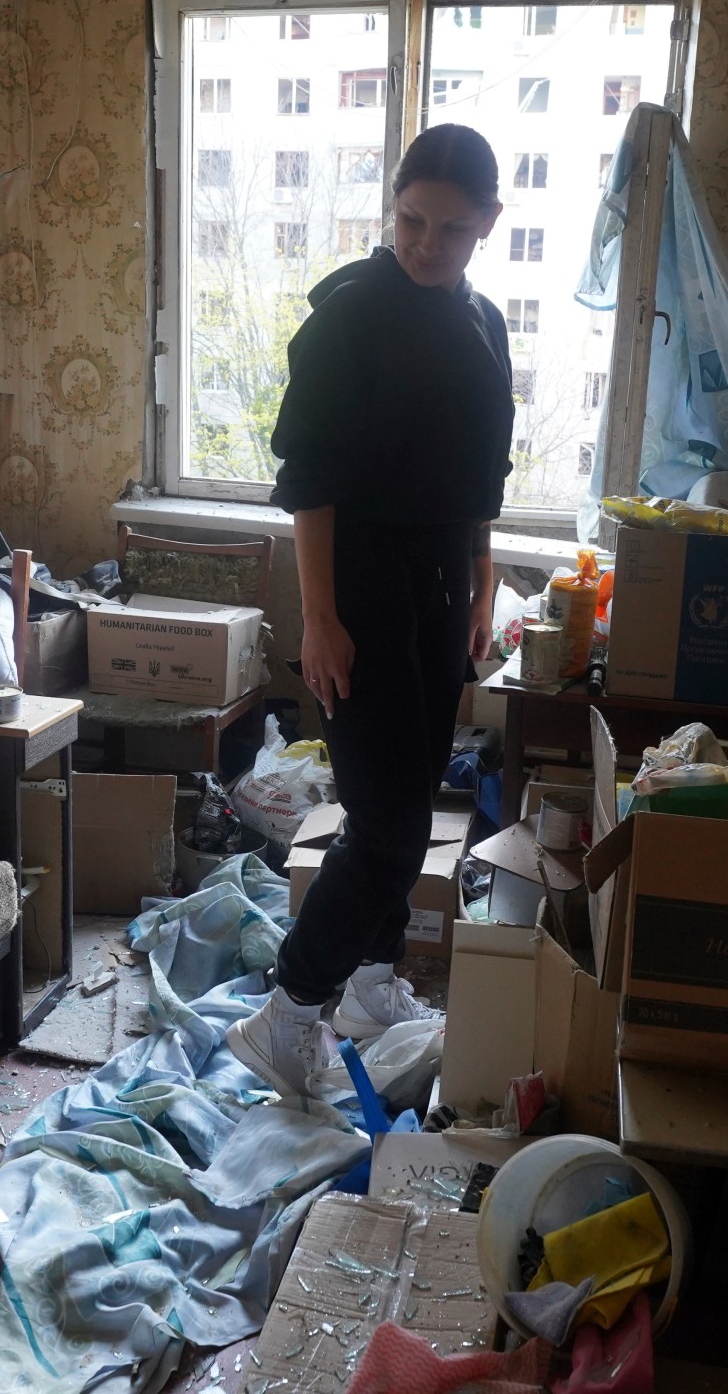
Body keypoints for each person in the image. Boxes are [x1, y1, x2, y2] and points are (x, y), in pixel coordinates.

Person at [225, 125, 513, 1100]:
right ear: (392, 206)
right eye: (410, 220)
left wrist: (481, 585)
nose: (426, 244)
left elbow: (481, 479)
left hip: (440, 589)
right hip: (358, 586)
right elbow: (310, 481)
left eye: (451, 229)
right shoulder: (349, 317)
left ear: (489, 224)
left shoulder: (484, 323)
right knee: (387, 828)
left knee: (411, 802)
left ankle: (370, 983)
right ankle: (289, 1011)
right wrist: (319, 618)